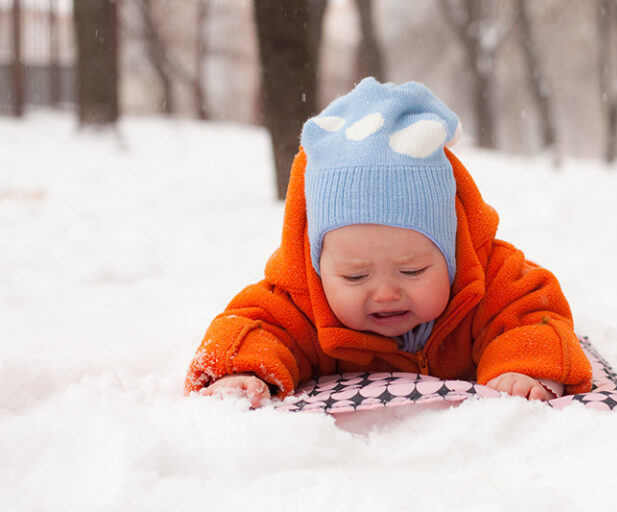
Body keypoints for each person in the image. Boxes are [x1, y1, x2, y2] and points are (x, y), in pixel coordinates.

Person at [185, 77, 592, 408]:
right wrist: (243, 371)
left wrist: (523, 367)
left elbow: (532, 315)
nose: (384, 293)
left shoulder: (489, 280)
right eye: (355, 275)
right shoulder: (304, 300)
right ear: (317, 265)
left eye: (411, 270)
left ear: (451, 251)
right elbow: (254, 326)